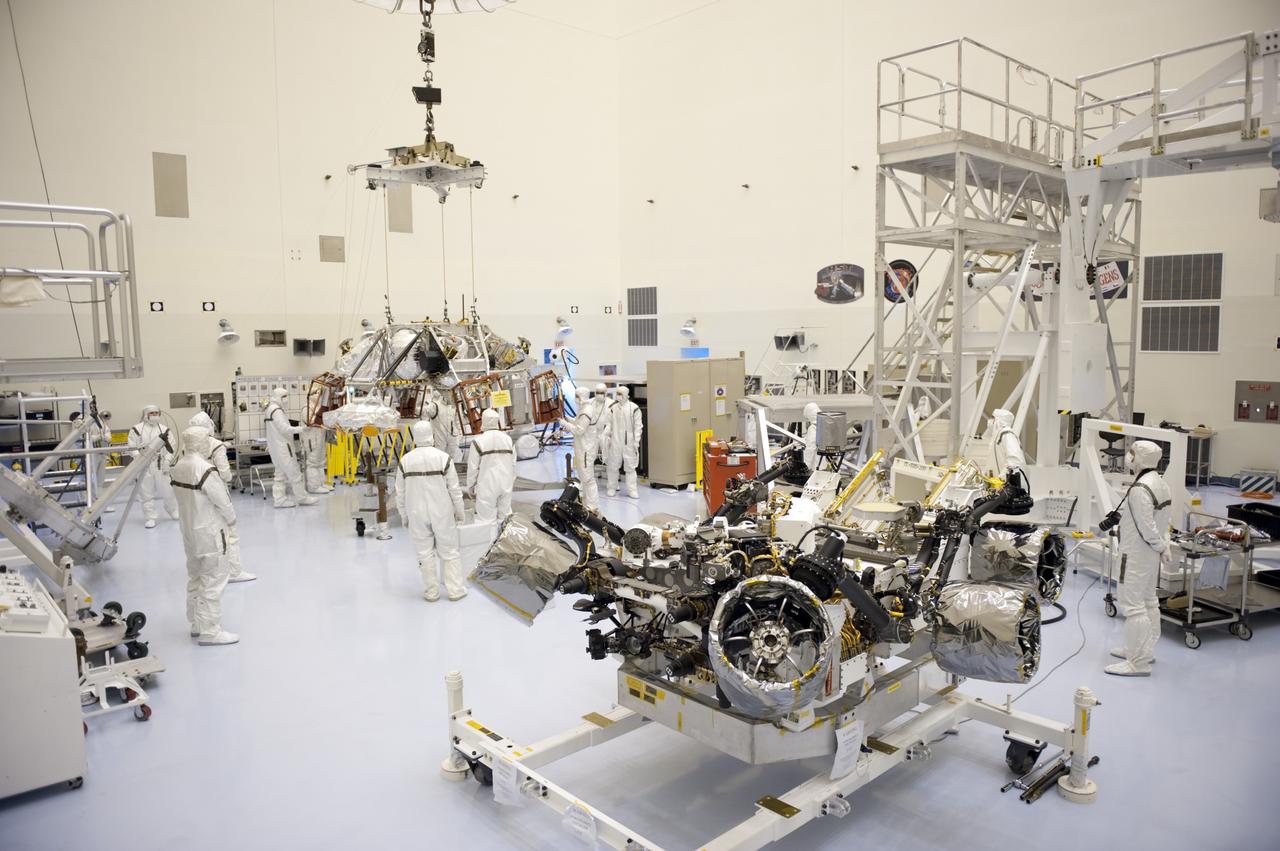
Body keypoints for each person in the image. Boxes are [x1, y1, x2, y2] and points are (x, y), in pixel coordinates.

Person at [1105, 439, 1173, 677]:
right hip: (1150, 554)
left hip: (1135, 554)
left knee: (1133, 606)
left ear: (1140, 458)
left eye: (1132, 452)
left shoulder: (1139, 490)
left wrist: (1160, 544)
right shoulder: (1161, 484)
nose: (1128, 456)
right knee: (1148, 601)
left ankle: (1138, 662)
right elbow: (1162, 522)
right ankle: (1144, 649)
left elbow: (1146, 526)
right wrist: (1163, 546)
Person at [170, 427, 239, 645]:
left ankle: (196, 623)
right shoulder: (205, 469)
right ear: (202, 442)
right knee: (213, 579)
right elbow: (222, 500)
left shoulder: (179, 466)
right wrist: (231, 519)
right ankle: (210, 631)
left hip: (189, 531)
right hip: (209, 531)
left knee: (196, 577)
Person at [395, 420, 468, 602]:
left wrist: (404, 516)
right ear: (432, 435)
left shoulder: (405, 461)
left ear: (415, 437)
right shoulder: (443, 458)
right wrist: (460, 511)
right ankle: (455, 590)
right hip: (442, 512)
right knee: (450, 550)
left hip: (416, 513)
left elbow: (400, 493)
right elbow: (454, 490)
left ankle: (431, 592)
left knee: (424, 553)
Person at [189, 411, 255, 583]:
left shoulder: (188, 446)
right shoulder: (216, 445)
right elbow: (225, 474)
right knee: (229, 531)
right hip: (216, 492)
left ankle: (208, 570)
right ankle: (233, 572)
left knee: (205, 533)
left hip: (195, 495)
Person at [263, 388, 317, 508]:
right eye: (284, 397)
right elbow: (284, 429)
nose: (286, 400)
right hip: (283, 448)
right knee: (294, 473)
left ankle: (279, 500)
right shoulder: (276, 411)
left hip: (275, 447)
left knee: (279, 474)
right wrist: (302, 429)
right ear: (277, 397)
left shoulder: (270, 409)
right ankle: (302, 498)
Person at [127, 405, 179, 528]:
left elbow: (172, 447)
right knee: (146, 493)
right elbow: (132, 447)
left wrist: (167, 461)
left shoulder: (165, 429)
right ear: (146, 414)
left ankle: (172, 510)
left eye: (157, 413)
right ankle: (150, 517)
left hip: (161, 464)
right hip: (144, 466)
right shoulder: (136, 429)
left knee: (168, 490)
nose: (155, 415)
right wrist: (140, 459)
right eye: (152, 413)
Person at [466, 408, 515, 523]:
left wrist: (471, 486)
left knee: (486, 521)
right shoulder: (508, 440)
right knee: (505, 520)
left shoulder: (478, 442)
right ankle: (505, 540)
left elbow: (472, 467)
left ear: (483, 421)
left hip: (487, 486)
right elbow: (513, 464)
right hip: (506, 484)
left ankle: (491, 541)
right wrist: (510, 481)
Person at [561, 386, 601, 511]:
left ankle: (592, 505)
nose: (576, 399)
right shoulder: (584, 408)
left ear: (582, 397)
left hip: (585, 449)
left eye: (577, 396)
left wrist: (565, 424)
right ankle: (586, 503)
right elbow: (579, 423)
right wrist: (568, 419)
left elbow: (579, 430)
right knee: (584, 477)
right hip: (582, 447)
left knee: (588, 478)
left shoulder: (586, 411)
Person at [603, 385, 643, 498]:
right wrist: (606, 432)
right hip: (615, 441)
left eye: (620, 394)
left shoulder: (634, 408)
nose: (618, 396)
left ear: (626, 396)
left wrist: (636, 441)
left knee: (630, 467)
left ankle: (632, 490)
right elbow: (609, 423)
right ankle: (612, 488)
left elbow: (638, 426)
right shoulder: (613, 408)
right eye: (617, 393)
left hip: (629, 442)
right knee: (613, 466)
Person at [425, 389, 460, 462]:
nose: (452, 397)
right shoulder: (435, 405)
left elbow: (458, 421)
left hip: (453, 436)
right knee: (440, 458)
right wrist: (431, 400)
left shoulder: (455, 406)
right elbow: (427, 410)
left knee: (452, 460)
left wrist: (459, 435)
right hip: (440, 436)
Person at [302, 426, 333, 494]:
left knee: (321, 462)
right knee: (313, 462)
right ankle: (313, 487)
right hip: (312, 436)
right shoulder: (308, 415)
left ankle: (320, 484)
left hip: (320, 432)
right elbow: (309, 421)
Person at [802, 402, 821, 471]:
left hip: (815, 466)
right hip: (825, 464)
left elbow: (810, 448)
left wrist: (806, 466)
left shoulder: (813, 428)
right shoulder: (824, 424)